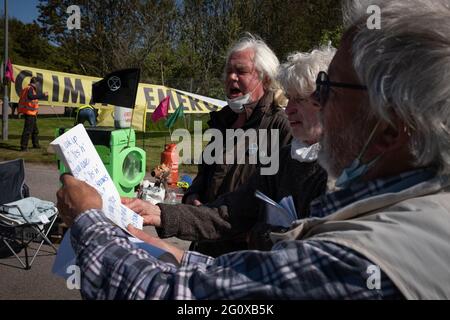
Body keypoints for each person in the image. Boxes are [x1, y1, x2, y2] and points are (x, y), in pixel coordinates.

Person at [56, 0, 450, 299]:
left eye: (328, 90)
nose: (311, 108)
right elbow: (234, 207)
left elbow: (182, 296)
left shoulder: (357, 257)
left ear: (391, 124)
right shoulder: (406, 209)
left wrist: (90, 221)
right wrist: (167, 227)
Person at [121, 47, 335, 257]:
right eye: (228, 71)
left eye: (241, 71)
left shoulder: (338, 168)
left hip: (248, 261)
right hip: (210, 246)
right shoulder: (224, 123)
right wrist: (164, 211)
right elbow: (229, 208)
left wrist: (259, 235)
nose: (289, 109)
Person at [183, 33, 292, 208]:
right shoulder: (221, 120)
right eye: (229, 71)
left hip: (244, 234)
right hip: (204, 227)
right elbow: (205, 172)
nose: (232, 77)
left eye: (241, 71)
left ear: (265, 79)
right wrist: (192, 194)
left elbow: (284, 196)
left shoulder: (281, 125)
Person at [18, 77, 48, 151]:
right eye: (38, 84)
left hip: (31, 113)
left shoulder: (29, 88)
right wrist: (43, 95)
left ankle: (36, 144)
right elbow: (30, 97)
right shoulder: (30, 88)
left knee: (35, 130)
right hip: (29, 113)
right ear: (35, 83)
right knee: (27, 130)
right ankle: (23, 147)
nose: (38, 85)